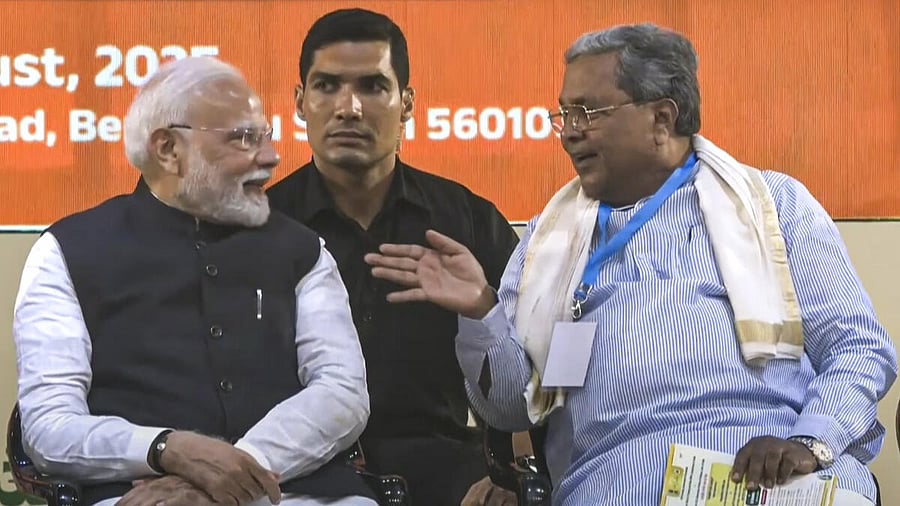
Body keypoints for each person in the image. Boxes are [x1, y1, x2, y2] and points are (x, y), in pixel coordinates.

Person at [363, 23, 898, 505]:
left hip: (775, 475)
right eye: (564, 114)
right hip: (620, 484)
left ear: (662, 118)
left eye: (587, 113)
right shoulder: (550, 243)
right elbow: (510, 411)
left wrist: (810, 441)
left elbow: (858, 348)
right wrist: (480, 310)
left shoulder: (773, 205)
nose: (569, 131)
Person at [12, 56, 375, 506]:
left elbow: (343, 393)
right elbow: (50, 426)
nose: (270, 156)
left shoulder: (302, 250)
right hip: (141, 493)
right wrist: (166, 450)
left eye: (266, 136)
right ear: (167, 149)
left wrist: (229, 473)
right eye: (243, 138)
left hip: (295, 490)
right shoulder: (65, 251)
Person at [266, 8, 520, 506]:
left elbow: (534, 379)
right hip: (298, 476)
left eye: (372, 87)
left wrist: (510, 475)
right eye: (327, 87)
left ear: (406, 103)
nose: (349, 108)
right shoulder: (259, 228)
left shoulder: (466, 220)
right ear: (300, 102)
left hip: (452, 474)